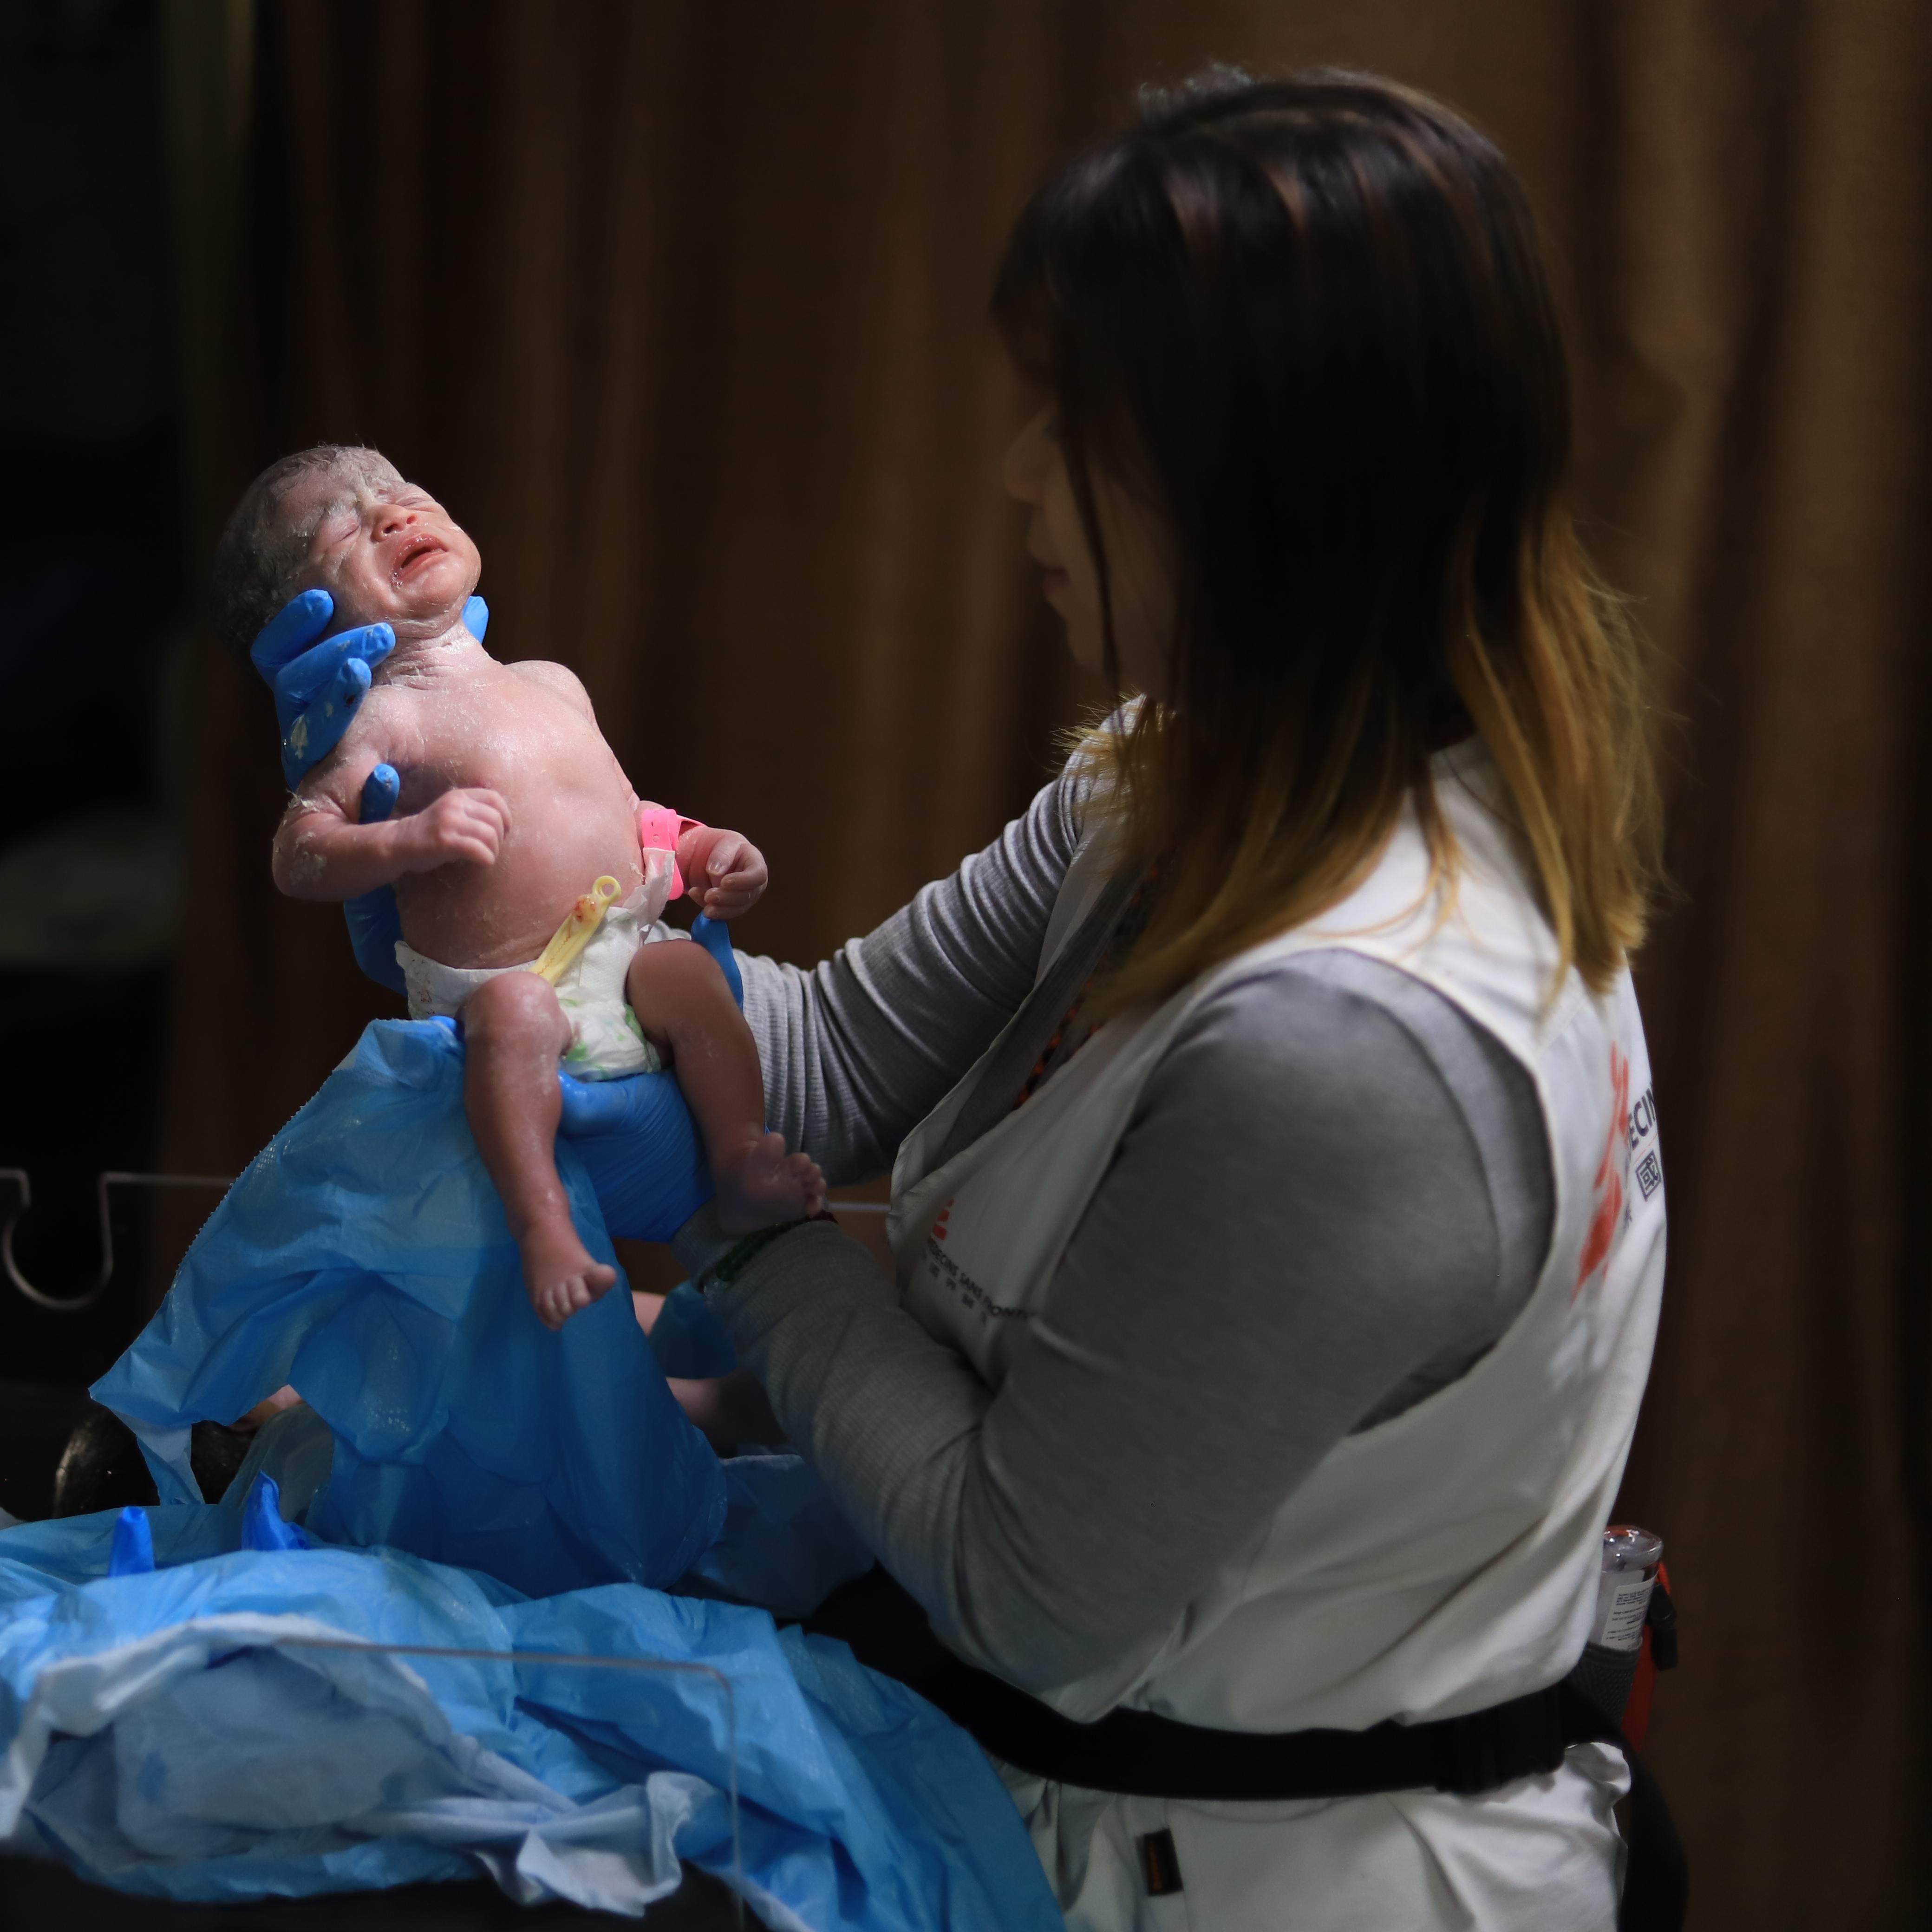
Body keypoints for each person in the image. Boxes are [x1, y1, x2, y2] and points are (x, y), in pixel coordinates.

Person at [261, 66, 1671, 1932]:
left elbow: (1029, 1584)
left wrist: (763, 1263)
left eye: (1072, 422)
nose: (1017, 470)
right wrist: (549, 934)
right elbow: (830, 1056)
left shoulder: (1360, 1046)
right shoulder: (1180, 770)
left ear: (1255, 488)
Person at [216, 446, 824, 1328]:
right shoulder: (379, 718)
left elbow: (622, 809)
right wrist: (401, 839)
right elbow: (297, 851)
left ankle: (738, 1161)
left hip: (622, 956)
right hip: (509, 988)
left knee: (689, 976)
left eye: (404, 493)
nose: (392, 515)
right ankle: (543, 1227)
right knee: (513, 1023)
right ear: (309, 622)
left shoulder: (549, 683)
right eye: (342, 525)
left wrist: (700, 849)